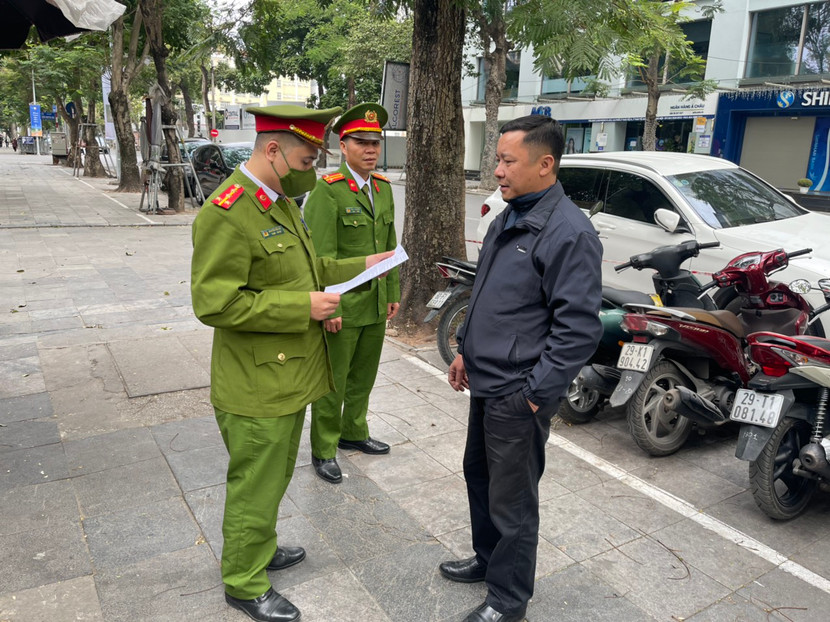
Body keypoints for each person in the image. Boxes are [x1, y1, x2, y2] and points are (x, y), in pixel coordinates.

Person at [191, 104, 393, 622]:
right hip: (254, 382)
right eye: (307, 156)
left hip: (284, 374)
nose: (312, 166)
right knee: (255, 480)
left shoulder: (278, 202)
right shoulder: (228, 210)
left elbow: (309, 267)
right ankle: (243, 580)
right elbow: (214, 303)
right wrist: (301, 306)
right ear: (274, 150)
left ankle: (258, 545)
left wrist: (364, 264)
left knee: (275, 474)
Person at [440, 115, 603, 622]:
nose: (498, 170)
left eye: (509, 161)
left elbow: (577, 329)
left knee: (512, 501)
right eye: (498, 159)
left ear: (545, 163)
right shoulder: (508, 216)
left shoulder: (568, 232)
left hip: (518, 391)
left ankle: (508, 602)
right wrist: (465, 346)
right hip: (487, 380)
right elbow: (487, 293)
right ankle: (489, 563)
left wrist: (536, 394)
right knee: (479, 477)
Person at [303, 103, 400, 484]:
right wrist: (328, 306)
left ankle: (353, 432)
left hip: (375, 302)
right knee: (333, 382)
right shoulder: (328, 192)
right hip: (343, 304)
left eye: (375, 142)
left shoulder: (383, 189)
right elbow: (319, 258)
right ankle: (324, 448)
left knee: (363, 375)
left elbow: (389, 245)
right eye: (361, 142)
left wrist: (391, 290)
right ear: (343, 146)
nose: (371, 149)